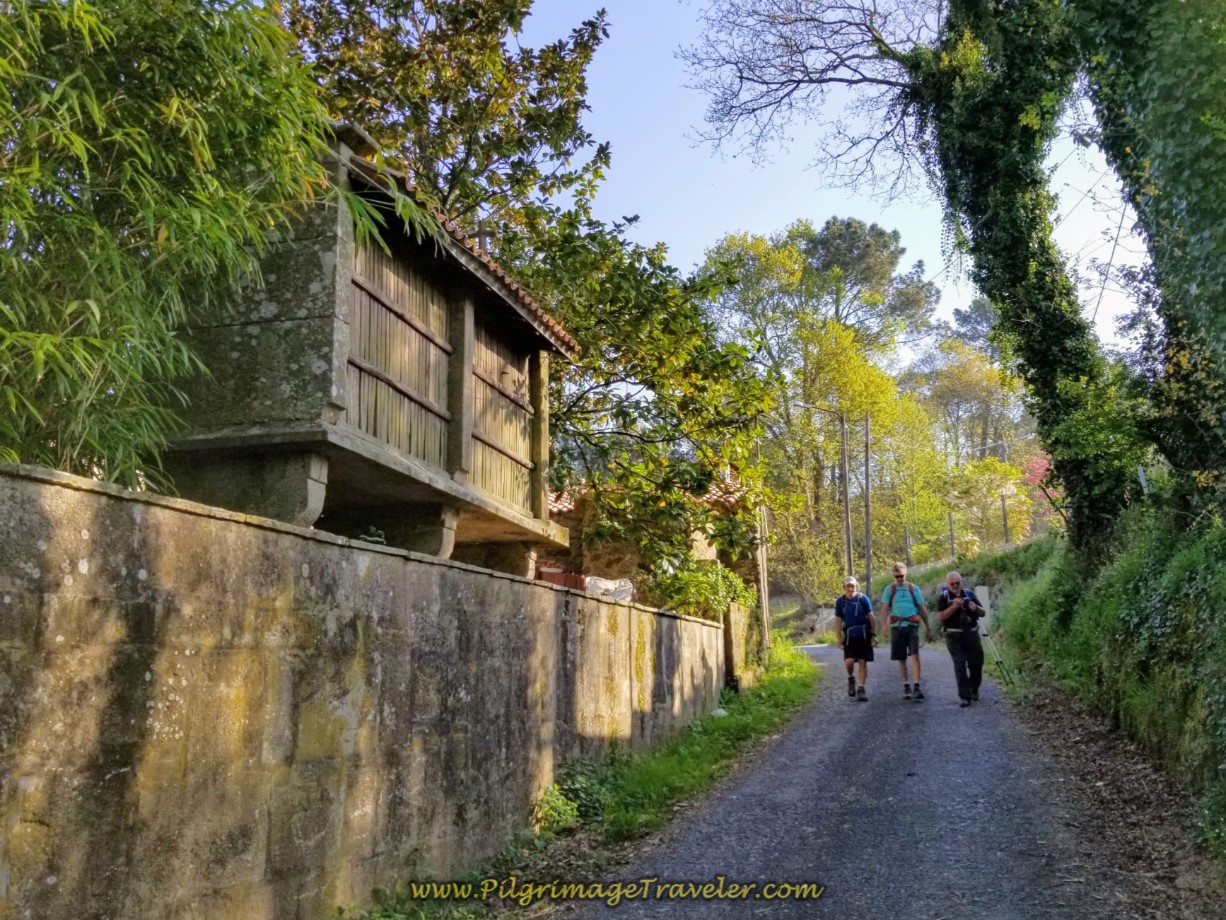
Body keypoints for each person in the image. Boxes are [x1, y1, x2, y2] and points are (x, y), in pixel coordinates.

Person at [878, 562, 933, 700]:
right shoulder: (889, 590)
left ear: (905, 574)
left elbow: (922, 609)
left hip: (912, 626)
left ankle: (917, 686)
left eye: (901, 576)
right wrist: (883, 626)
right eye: (896, 577)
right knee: (901, 658)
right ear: (893, 576)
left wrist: (928, 627)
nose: (899, 579)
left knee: (915, 656)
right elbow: (884, 609)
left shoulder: (914, 589)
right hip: (897, 627)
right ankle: (906, 685)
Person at [936, 571, 986, 707]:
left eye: (957, 583)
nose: (954, 585)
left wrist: (975, 608)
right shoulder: (944, 597)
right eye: (952, 583)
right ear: (948, 584)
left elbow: (983, 612)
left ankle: (973, 688)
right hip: (953, 636)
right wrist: (954, 606)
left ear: (961, 582)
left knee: (976, 664)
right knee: (960, 665)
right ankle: (964, 697)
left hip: (971, 633)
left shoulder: (969, 594)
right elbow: (940, 617)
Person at [834, 576, 878, 701]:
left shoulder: (863, 599)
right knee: (849, 661)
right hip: (849, 636)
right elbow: (838, 621)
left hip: (864, 634)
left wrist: (873, 635)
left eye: (852, 586)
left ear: (856, 586)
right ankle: (851, 679)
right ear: (844, 587)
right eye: (848, 586)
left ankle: (861, 689)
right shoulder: (840, 602)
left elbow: (871, 617)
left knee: (862, 661)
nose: (850, 588)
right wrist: (839, 638)